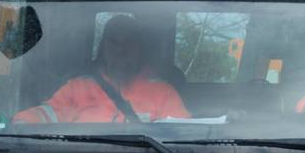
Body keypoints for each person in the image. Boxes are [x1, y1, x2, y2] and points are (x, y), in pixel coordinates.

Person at [15, 15, 189, 124]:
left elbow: (183, 135)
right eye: (113, 42)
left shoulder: (164, 93)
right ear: (103, 47)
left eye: (128, 43)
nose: (120, 50)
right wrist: (21, 123)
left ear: (140, 48)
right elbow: (48, 113)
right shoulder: (78, 87)